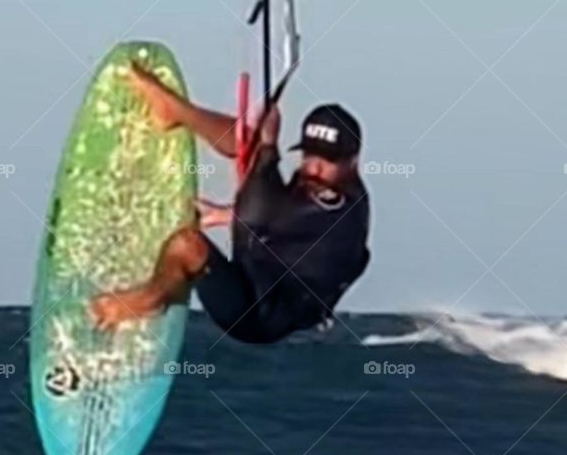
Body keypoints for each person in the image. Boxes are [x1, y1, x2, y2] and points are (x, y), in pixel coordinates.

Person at [91, 66, 371, 344]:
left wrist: (269, 147)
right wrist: (225, 214)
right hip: (250, 280)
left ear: (353, 161)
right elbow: (290, 223)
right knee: (248, 143)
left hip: (257, 313)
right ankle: (174, 112)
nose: (315, 168)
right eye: (310, 156)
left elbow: (265, 216)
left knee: (188, 246)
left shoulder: (340, 206)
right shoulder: (318, 186)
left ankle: (150, 300)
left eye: (328, 161)